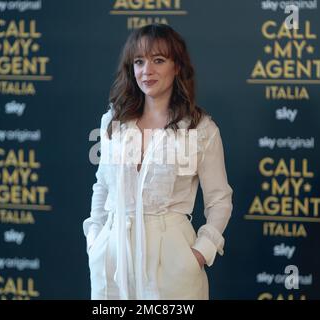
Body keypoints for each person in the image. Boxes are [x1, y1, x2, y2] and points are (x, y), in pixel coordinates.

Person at [83, 23, 233, 300]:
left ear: (177, 67)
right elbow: (102, 186)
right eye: (139, 61)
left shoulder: (199, 130)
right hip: (113, 258)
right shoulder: (114, 122)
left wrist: (199, 253)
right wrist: (95, 239)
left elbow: (219, 199)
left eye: (158, 60)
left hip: (173, 263)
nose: (146, 70)